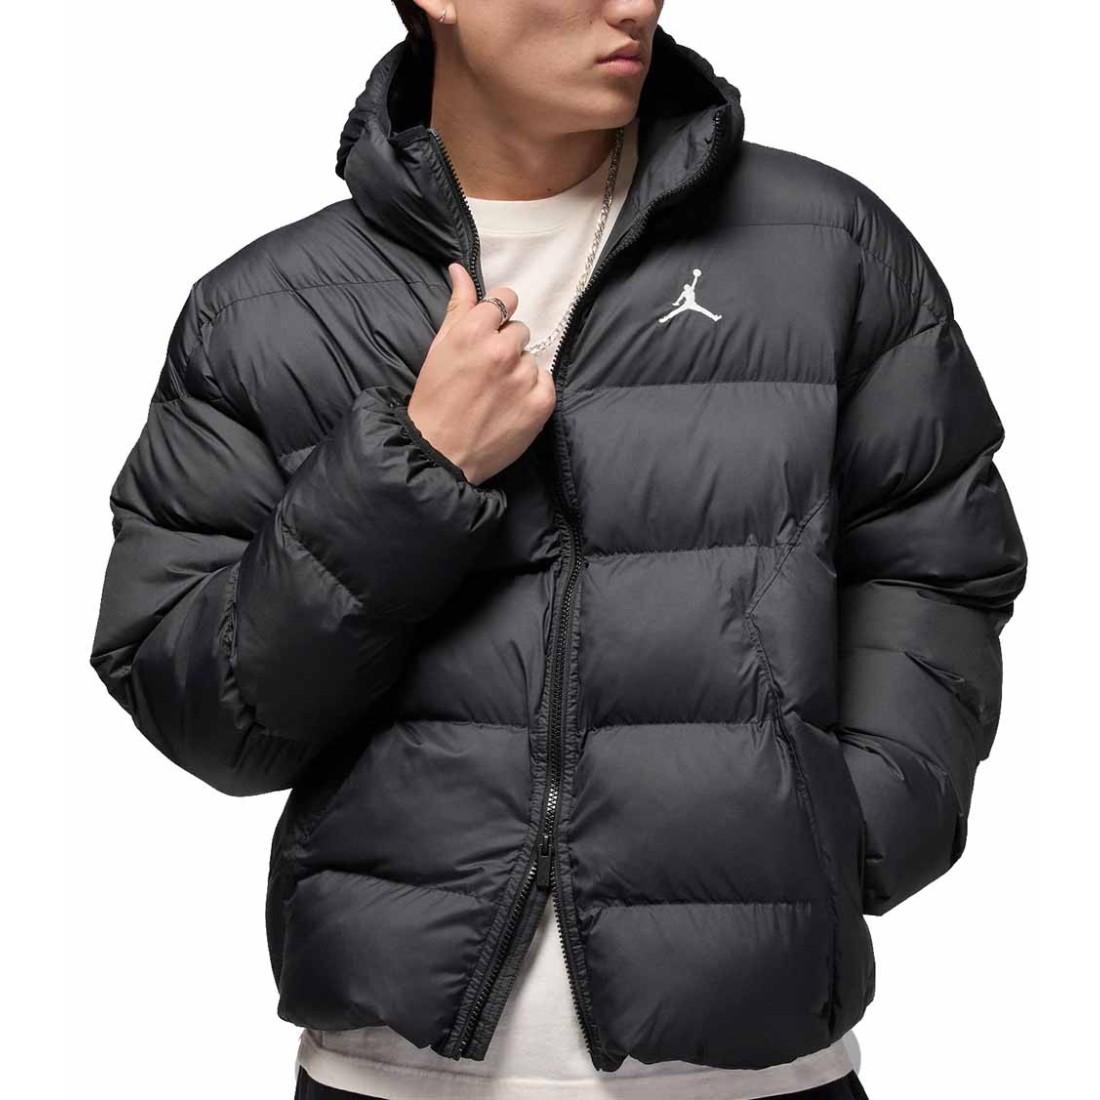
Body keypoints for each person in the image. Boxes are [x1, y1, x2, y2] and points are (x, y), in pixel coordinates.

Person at [88, 1, 1028, 1098]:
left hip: (758, 1070)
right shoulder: (262, 313)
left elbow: (934, 563)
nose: (635, 4)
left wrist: (847, 831)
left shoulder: (828, 250)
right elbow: (206, 711)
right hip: (393, 1074)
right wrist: (416, 467)